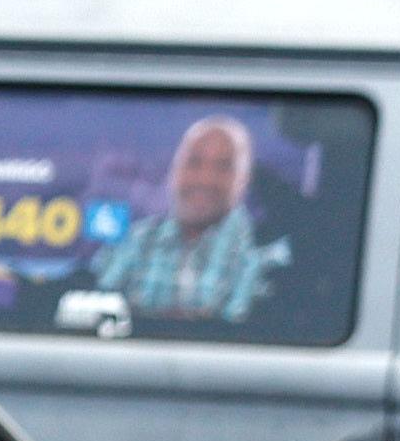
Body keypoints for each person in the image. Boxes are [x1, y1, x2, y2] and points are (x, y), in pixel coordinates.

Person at [85, 112, 289, 326]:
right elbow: (97, 312)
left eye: (223, 167)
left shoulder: (267, 256)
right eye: (194, 162)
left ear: (244, 180)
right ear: (174, 172)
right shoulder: (133, 241)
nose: (205, 179)